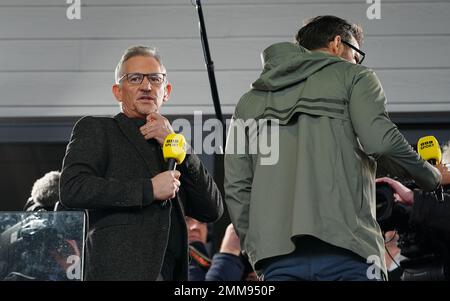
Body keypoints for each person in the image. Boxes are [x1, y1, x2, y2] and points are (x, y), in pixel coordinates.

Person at [224, 15, 441, 281]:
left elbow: (236, 187)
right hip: (350, 252)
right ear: (338, 43)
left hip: (278, 260)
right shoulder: (355, 77)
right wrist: (430, 176)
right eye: (356, 54)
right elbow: (381, 143)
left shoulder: (248, 102)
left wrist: (259, 248)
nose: (356, 61)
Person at [59, 46, 223, 281]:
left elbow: (212, 209)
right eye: (135, 78)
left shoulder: (172, 144)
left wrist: (180, 148)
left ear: (166, 91)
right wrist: (149, 189)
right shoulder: (98, 129)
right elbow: (73, 188)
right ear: (118, 91)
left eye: (155, 79)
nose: (146, 86)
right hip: (119, 273)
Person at [187, 219, 257, 281]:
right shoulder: (178, 262)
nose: (196, 227)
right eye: (187, 220)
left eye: (201, 222)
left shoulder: (207, 263)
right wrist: (229, 253)